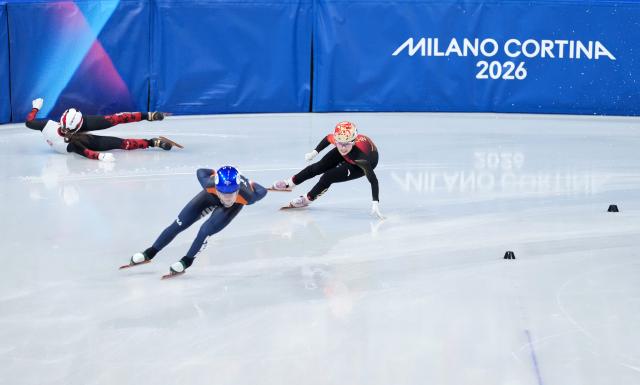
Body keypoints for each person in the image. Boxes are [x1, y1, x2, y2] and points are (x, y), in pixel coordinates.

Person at [121, 166, 268, 278]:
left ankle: (186, 261)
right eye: (222, 192)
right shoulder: (208, 183)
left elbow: (262, 191)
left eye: (231, 194)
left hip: (235, 205)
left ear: (238, 190)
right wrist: (214, 173)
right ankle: (150, 252)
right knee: (178, 224)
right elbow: (201, 171)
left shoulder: (248, 196)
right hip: (209, 196)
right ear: (216, 186)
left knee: (205, 231)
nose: (227, 198)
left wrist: (250, 183)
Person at [271, 121, 383, 219]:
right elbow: (327, 138)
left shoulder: (361, 159)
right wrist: (314, 152)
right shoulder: (341, 140)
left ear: (353, 142)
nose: (343, 148)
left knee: (328, 177)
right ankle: (289, 183)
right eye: (339, 143)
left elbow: (373, 180)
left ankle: (307, 199)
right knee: (318, 167)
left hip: (358, 165)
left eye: (347, 144)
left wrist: (375, 202)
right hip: (351, 153)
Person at [25, 97, 177, 161]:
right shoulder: (71, 145)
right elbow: (86, 152)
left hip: (72, 135)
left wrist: (35, 108)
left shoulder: (47, 126)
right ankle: (152, 142)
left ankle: (149, 116)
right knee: (122, 143)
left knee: (115, 119)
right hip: (78, 140)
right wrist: (100, 157)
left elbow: (29, 123)